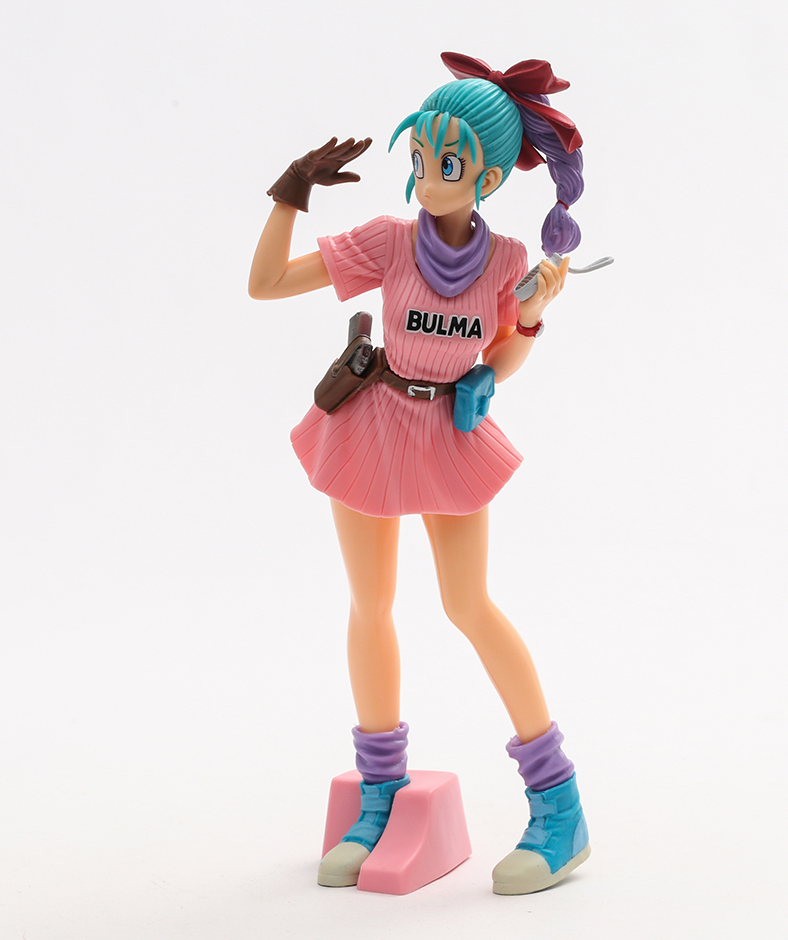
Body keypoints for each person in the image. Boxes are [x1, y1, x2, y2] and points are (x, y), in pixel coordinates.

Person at [248, 53, 590, 895]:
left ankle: (559, 804)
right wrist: (290, 193)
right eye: (421, 157)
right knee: (370, 605)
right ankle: (379, 794)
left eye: (448, 162)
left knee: (468, 605)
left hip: (448, 436)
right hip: (371, 425)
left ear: (486, 176)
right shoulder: (388, 241)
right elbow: (266, 284)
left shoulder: (507, 260)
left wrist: (528, 324)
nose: (428, 177)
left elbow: (499, 357)